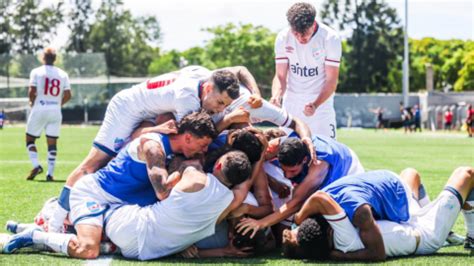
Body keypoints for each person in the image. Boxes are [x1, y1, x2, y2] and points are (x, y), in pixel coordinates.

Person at [47, 68, 242, 233]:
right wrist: (229, 120)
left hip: (147, 111)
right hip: (127, 109)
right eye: (220, 102)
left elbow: (239, 70)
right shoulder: (188, 98)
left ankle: (78, 215)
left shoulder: (199, 78)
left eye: (225, 106)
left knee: (131, 162)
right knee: (94, 164)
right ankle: (54, 219)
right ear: (208, 88)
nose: (220, 108)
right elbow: (192, 135)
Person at [0, 111, 217, 259]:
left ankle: (43, 223)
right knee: (88, 249)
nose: (204, 151)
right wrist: (187, 168)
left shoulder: (173, 150)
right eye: (203, 145)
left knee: (115, 244)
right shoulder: (154, 147)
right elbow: (162, 193)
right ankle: (35, 236)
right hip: (93, 195)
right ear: (187, 137)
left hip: (117, 207)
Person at [1, 150, 254, 261]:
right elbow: (242, 188)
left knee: (89, 237)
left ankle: (39, 230)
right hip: (142, 252)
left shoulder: (197, 176)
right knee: (94, 243)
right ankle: (37, 228)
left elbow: (168, 187)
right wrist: (260, 156)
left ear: (218, 165)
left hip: (131, 222)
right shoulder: (231, 204)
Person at [282, 167, 474, 260]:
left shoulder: (332, 238)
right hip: (425, 235)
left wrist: (295, 233)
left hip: (404, 220)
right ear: (328, 231)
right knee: (466, 174)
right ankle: (471, 234)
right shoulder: (345, 241)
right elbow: (320, 200)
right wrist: (297, 219)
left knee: (410, 175)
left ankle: (435, 216)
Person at [235, 134, 364, 239]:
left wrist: (260, 223)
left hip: (348, 170)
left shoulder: (317, 166)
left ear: (304, 160)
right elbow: (257, 158)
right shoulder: (280, 144)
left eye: (292, 171)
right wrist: (273, 182)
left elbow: (295, 204)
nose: (287, 176)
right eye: (284, 170)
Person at [270, 2, 342, 139]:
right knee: (287, 154)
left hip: (320, 105)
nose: (300, 38)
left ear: (313, 23)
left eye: (305, 34)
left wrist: (315, 104)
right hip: (291, 104)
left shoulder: (330, 38)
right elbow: (280, 76)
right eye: (296, 33)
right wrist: (276, 96)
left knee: (324, 157)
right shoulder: (283, 38)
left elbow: (331, 80)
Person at [25, 47, 72, 181]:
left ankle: (36, 165)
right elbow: (68, 95)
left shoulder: (36, 72)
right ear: (55, 59)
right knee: (52, 143)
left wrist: (31, 102)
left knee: (30, 139)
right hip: (55, 111)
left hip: (40, 108)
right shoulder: (63, 74)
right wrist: (58, 104)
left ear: (43, 58)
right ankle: (50, 174)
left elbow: (32, 90)